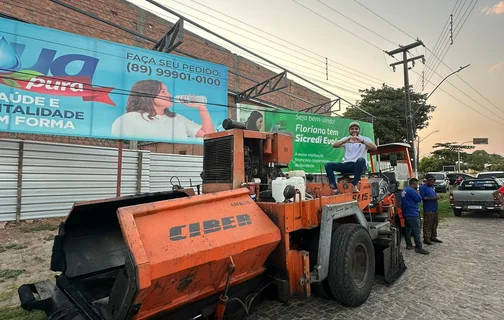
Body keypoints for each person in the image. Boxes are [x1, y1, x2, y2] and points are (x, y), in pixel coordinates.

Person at [111, 80, 214, 141]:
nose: (169, 95)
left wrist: (201, 108)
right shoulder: (128, 120)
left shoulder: (177, 119)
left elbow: (209, 135)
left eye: (168, 91)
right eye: (163, 92)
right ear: (148, 94)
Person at [325, 122, 377, 193]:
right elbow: (334, 145)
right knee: (328, 164)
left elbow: (374, 148)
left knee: (361, 160)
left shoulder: (364, 139)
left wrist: (362, 141)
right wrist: (345, 140)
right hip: (347, 165)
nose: (354, 131)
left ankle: (354, 185)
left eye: (356, 129)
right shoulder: (346, 139)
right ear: (349, 131)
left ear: (359, 130)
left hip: (359, 165)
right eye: (352, 129)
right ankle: (334, 188)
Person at [401, 178, 429, 254]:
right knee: (416, 230)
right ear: (413, 184)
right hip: (412, 213)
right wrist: (418, 192)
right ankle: (418, 247)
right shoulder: (411, 190)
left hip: (406, 212)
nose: (417, 185)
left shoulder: (405, 190)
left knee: (408, 229)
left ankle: (409, 245)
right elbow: (419, 199)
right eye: (417, 184)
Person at [420, 175, 442, 245]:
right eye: (431, 182)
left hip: (434, 208)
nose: (432, 183)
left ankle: (433, 236)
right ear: (427, 181)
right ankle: (426, 238)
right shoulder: (423, 187)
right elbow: (422, 198)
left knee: (435, 223)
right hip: (428, 209)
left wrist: (437, 197)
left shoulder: (431, 187)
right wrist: (434, 198)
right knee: (428, 224)